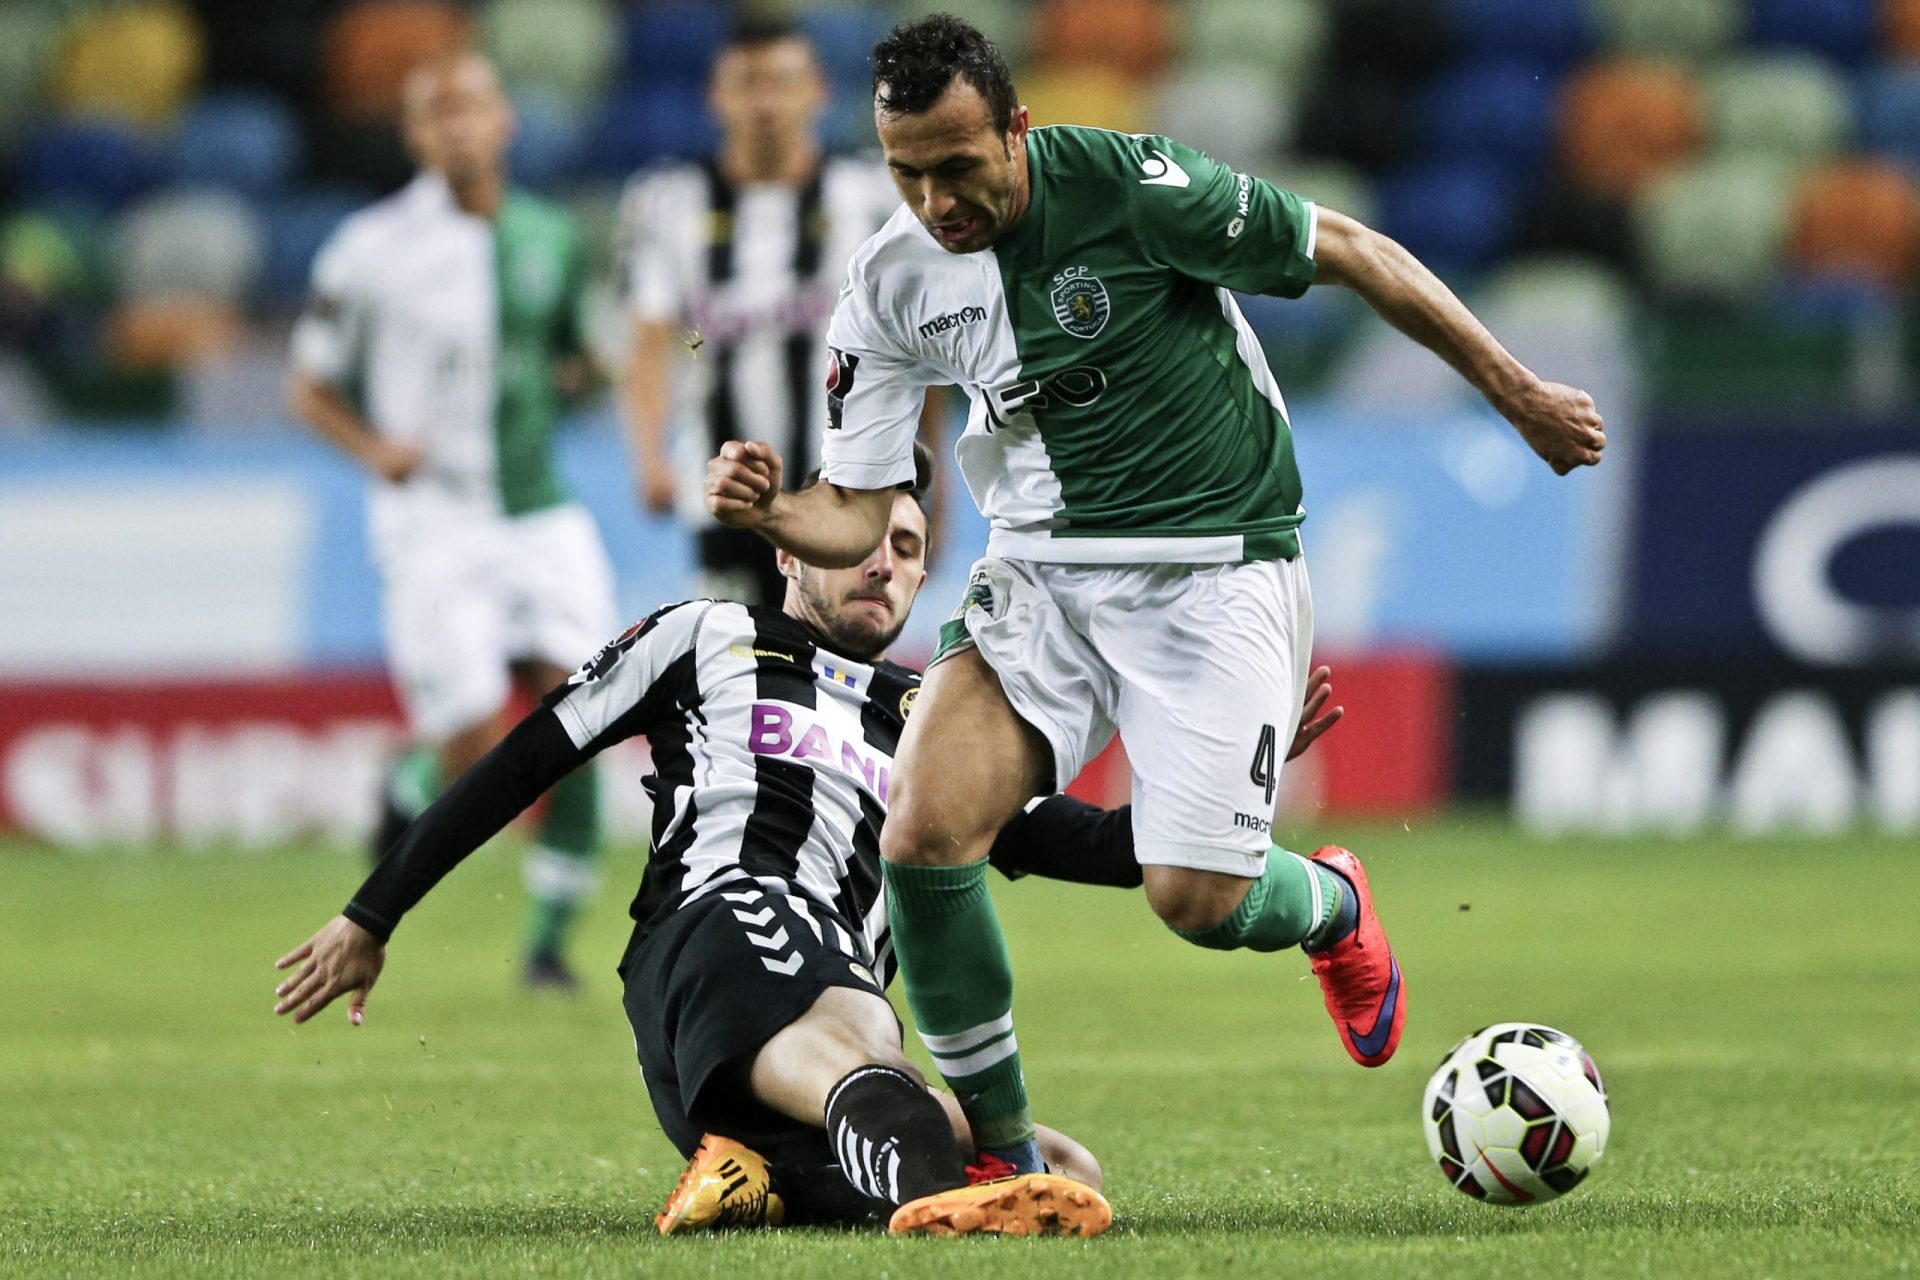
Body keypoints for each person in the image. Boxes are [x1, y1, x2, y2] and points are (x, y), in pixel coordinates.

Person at [702, 12, 1608, 1202]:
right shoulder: (889, 283)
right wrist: (773, 514)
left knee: (1198, 899)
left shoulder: (1132, 188)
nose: (936, 200)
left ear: (1016, 131)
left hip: (1213, 566)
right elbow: (861, 510)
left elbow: (1347, 247)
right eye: (907, 172)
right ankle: (1006, 1159)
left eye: (960, 167)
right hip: (1040, 574)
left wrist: (1518, 392)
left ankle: (1331, 899)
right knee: (922, 833)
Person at [266, 448, 1346, 1237]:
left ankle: (759, 1176)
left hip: (798, 1050)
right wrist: (373, 912)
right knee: (861, 1026)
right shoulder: (706, 635)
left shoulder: (941, 722)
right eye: (867, 533)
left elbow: (1108, 845)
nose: (888, 561)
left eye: (912, 547)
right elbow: (524, 758)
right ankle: (911, 1169)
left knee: (1067, 1162)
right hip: (714, 936)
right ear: (795, 543)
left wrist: (1230, 759)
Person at [288, 51, 615, 988]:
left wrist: (584, 372)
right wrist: (375, 450)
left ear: (504, 120)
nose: (458, 125)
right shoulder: (370, 248)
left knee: (582, 712)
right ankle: (409, 784)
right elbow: (307, 385)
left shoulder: (550, 234)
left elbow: (575, 354)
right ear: (416, 136)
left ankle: (549, 945)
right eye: (437, 113)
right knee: (474, 741)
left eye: (472, 105)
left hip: (541, 511)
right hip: (434, 522)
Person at [620, 14, 932, 608]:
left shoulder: (869, 198)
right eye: (747, 84)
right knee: (736, 665)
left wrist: (924, 472)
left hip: (848, 489)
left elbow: (917, 343)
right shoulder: (666, 202)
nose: (765, 103)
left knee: (842, 663)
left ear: (818, 91)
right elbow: (654, 341)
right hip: (724, 496)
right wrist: (649, 456)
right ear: (716, 96)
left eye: (782, 83)